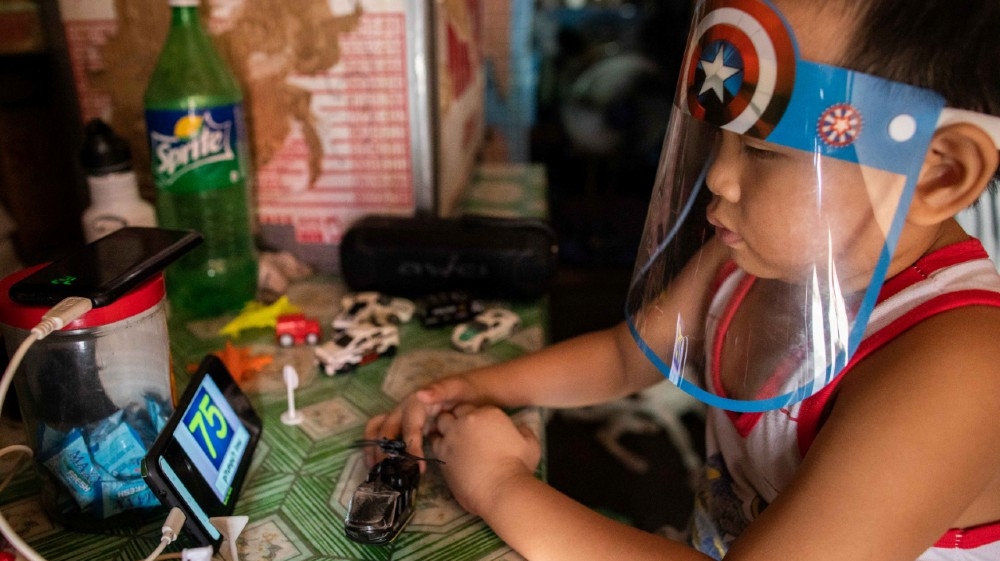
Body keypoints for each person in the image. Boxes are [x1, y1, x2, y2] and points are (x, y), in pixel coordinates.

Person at [365, 0, 1000, 559]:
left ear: (938, 173)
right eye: (716, 137)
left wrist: (502, 485)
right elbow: (625, 355)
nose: (719, 180)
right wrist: (476, 384)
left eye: (763, 151)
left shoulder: (964, 367)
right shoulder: (756, 257)